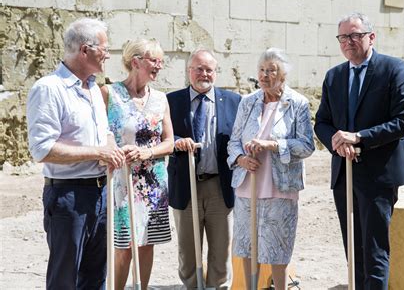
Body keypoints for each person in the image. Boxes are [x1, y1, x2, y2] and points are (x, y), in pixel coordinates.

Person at [314, 12, 404, 290]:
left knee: (374, 251)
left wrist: (359, 137)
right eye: (343, 37)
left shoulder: (394, 69)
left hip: (378, 174)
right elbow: (322, 122)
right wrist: (337, 142)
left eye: (355, 35)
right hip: (344, 174)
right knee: (353, 249)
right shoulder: (334, 76)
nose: (348, 41)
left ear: (371, 37)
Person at [26, 18, 126, 290]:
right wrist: (98, 151)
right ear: (85, 50)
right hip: (69, 197)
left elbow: (104, 133)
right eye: (104, 48)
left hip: (101, 194)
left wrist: (113, 151)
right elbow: (41, 149)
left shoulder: (93, 88)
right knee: (65, 279)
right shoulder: (49, 89)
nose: (108, 54)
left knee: (95, 278)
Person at [227, 48, 315, 289]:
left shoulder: (297, 103)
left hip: (280, 185)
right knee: (247, 245)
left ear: (283, 76)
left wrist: (273, 145)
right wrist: (240, 160)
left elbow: (307, 146)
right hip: (248, 184)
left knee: (278, 247)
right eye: (262, 70)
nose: (265, 76)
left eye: (271, 71)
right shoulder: (248, 102)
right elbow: (234, 141)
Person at [100, 39, 174, 289]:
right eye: (154, 60)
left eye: (161, 61)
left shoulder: (161, 99)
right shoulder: (109, 94)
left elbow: (169, 142)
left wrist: (146, 152)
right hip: (122, 179)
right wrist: (115, 149)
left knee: (146, 242)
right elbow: (102, 133)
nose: (159, 66)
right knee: (124, 245)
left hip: (153, 181)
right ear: (135, 62)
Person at [167, 48, 241, 289]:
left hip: (220, 186)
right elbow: (161, 135)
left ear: (216, 73)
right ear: (189, 71)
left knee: (221, 250)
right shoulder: (171, 101)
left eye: (209, 69)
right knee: (188, 251)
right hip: (186, 185)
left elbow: (239, 138)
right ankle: (191, 286)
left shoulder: (233, 101)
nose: (204, 74)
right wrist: (177, 140)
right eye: (199, 68)